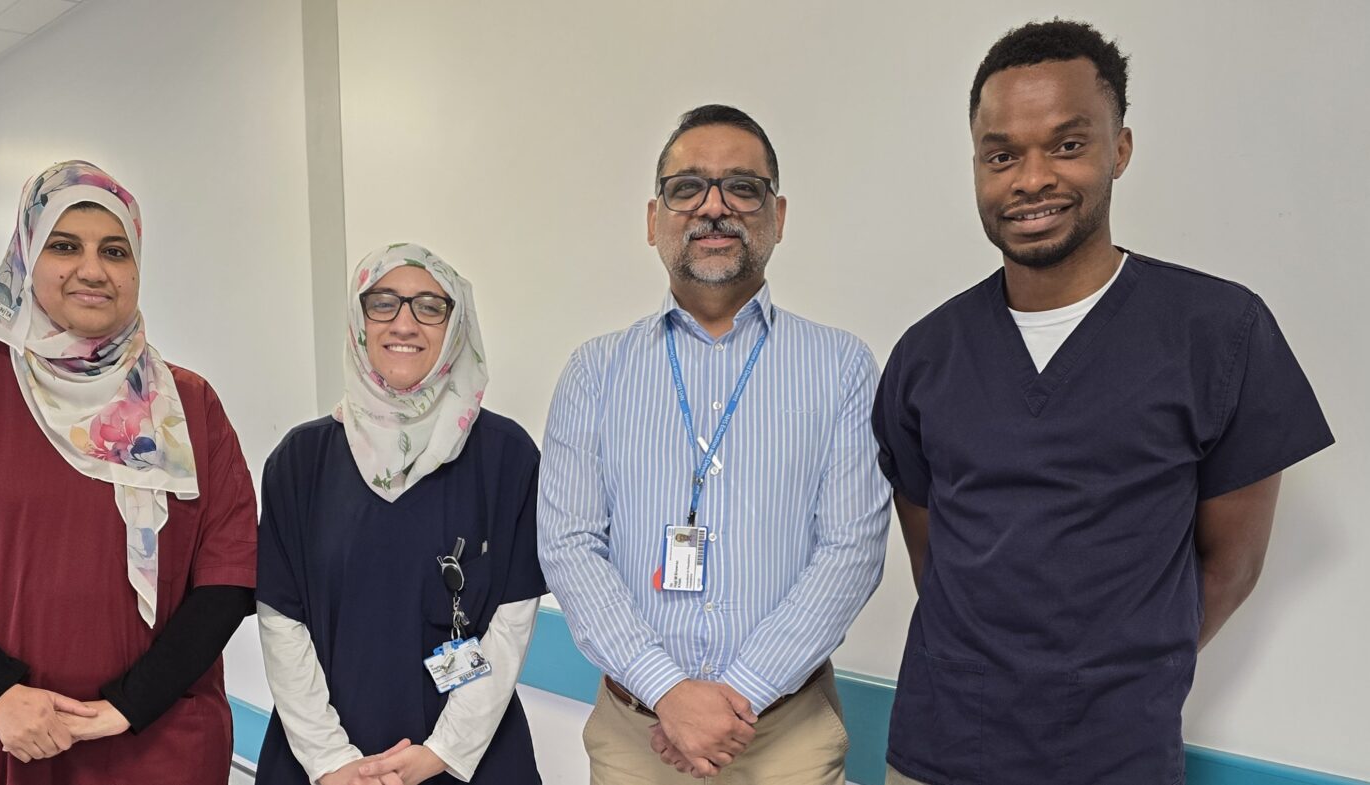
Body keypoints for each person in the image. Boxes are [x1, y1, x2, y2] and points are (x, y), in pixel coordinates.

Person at [874, 20, 1335, 785]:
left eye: (1066, 143)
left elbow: (1232, 562)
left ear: (1118, 149)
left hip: (1116, 759)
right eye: (1000, 155)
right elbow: (936, 560)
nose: (1030, 179)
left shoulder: (1217, 332)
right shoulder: (926, 355)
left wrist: (1116, 675)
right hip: (939, 753)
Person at [0, 160, 258, 784]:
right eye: (64, 246)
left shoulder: (187, 408)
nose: (92, 270)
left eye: (115, 251)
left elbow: (228, 577)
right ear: (25, 257)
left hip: (150, 741)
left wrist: (130, 704)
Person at [539, 104, 890, 784]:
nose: (713, 207)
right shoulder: (594, 372)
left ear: (777, 215)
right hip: (634, 736)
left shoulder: (842, 367)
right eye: (686, 187)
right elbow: (569, 544)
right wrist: (667, 690)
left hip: (785, 737)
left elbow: (850, 550)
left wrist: (735, 699)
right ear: (653, 219)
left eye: (741, 187)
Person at [255, 244, 545, 785]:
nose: (405, 323)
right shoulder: (302, 461)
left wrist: (444, 751)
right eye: (382, 303)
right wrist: (330, 760)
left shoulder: (507, 457)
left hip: (469, 756)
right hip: (325, 758)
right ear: (358, 321)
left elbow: (512, 618)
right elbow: (282, 621)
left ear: (455, 325)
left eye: (430, 306)